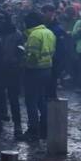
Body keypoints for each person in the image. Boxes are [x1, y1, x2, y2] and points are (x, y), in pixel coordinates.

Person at [22, 11, 56, 142]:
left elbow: (32, 57)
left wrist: (23, 59)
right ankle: (45, 127)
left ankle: (33, 130)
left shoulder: (34, 35)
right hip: (47, 70)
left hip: (34, 71)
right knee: (42, 100)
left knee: (31, 101)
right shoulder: (49, 32)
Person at [0, 11, 25, 138]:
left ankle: (17, 126)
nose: (0, 21)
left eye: (2, 18)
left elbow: (21, 50)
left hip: (12, 70)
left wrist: (16, 61)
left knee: (13, 99)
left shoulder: (16, 34)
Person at [41, 4, 67, 99]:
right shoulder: (42, 25)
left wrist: (57, 58)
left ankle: (51, 98)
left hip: (53, 59)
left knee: (52, 80)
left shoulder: (57, 28)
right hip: (44, 59)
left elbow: (62, 46)